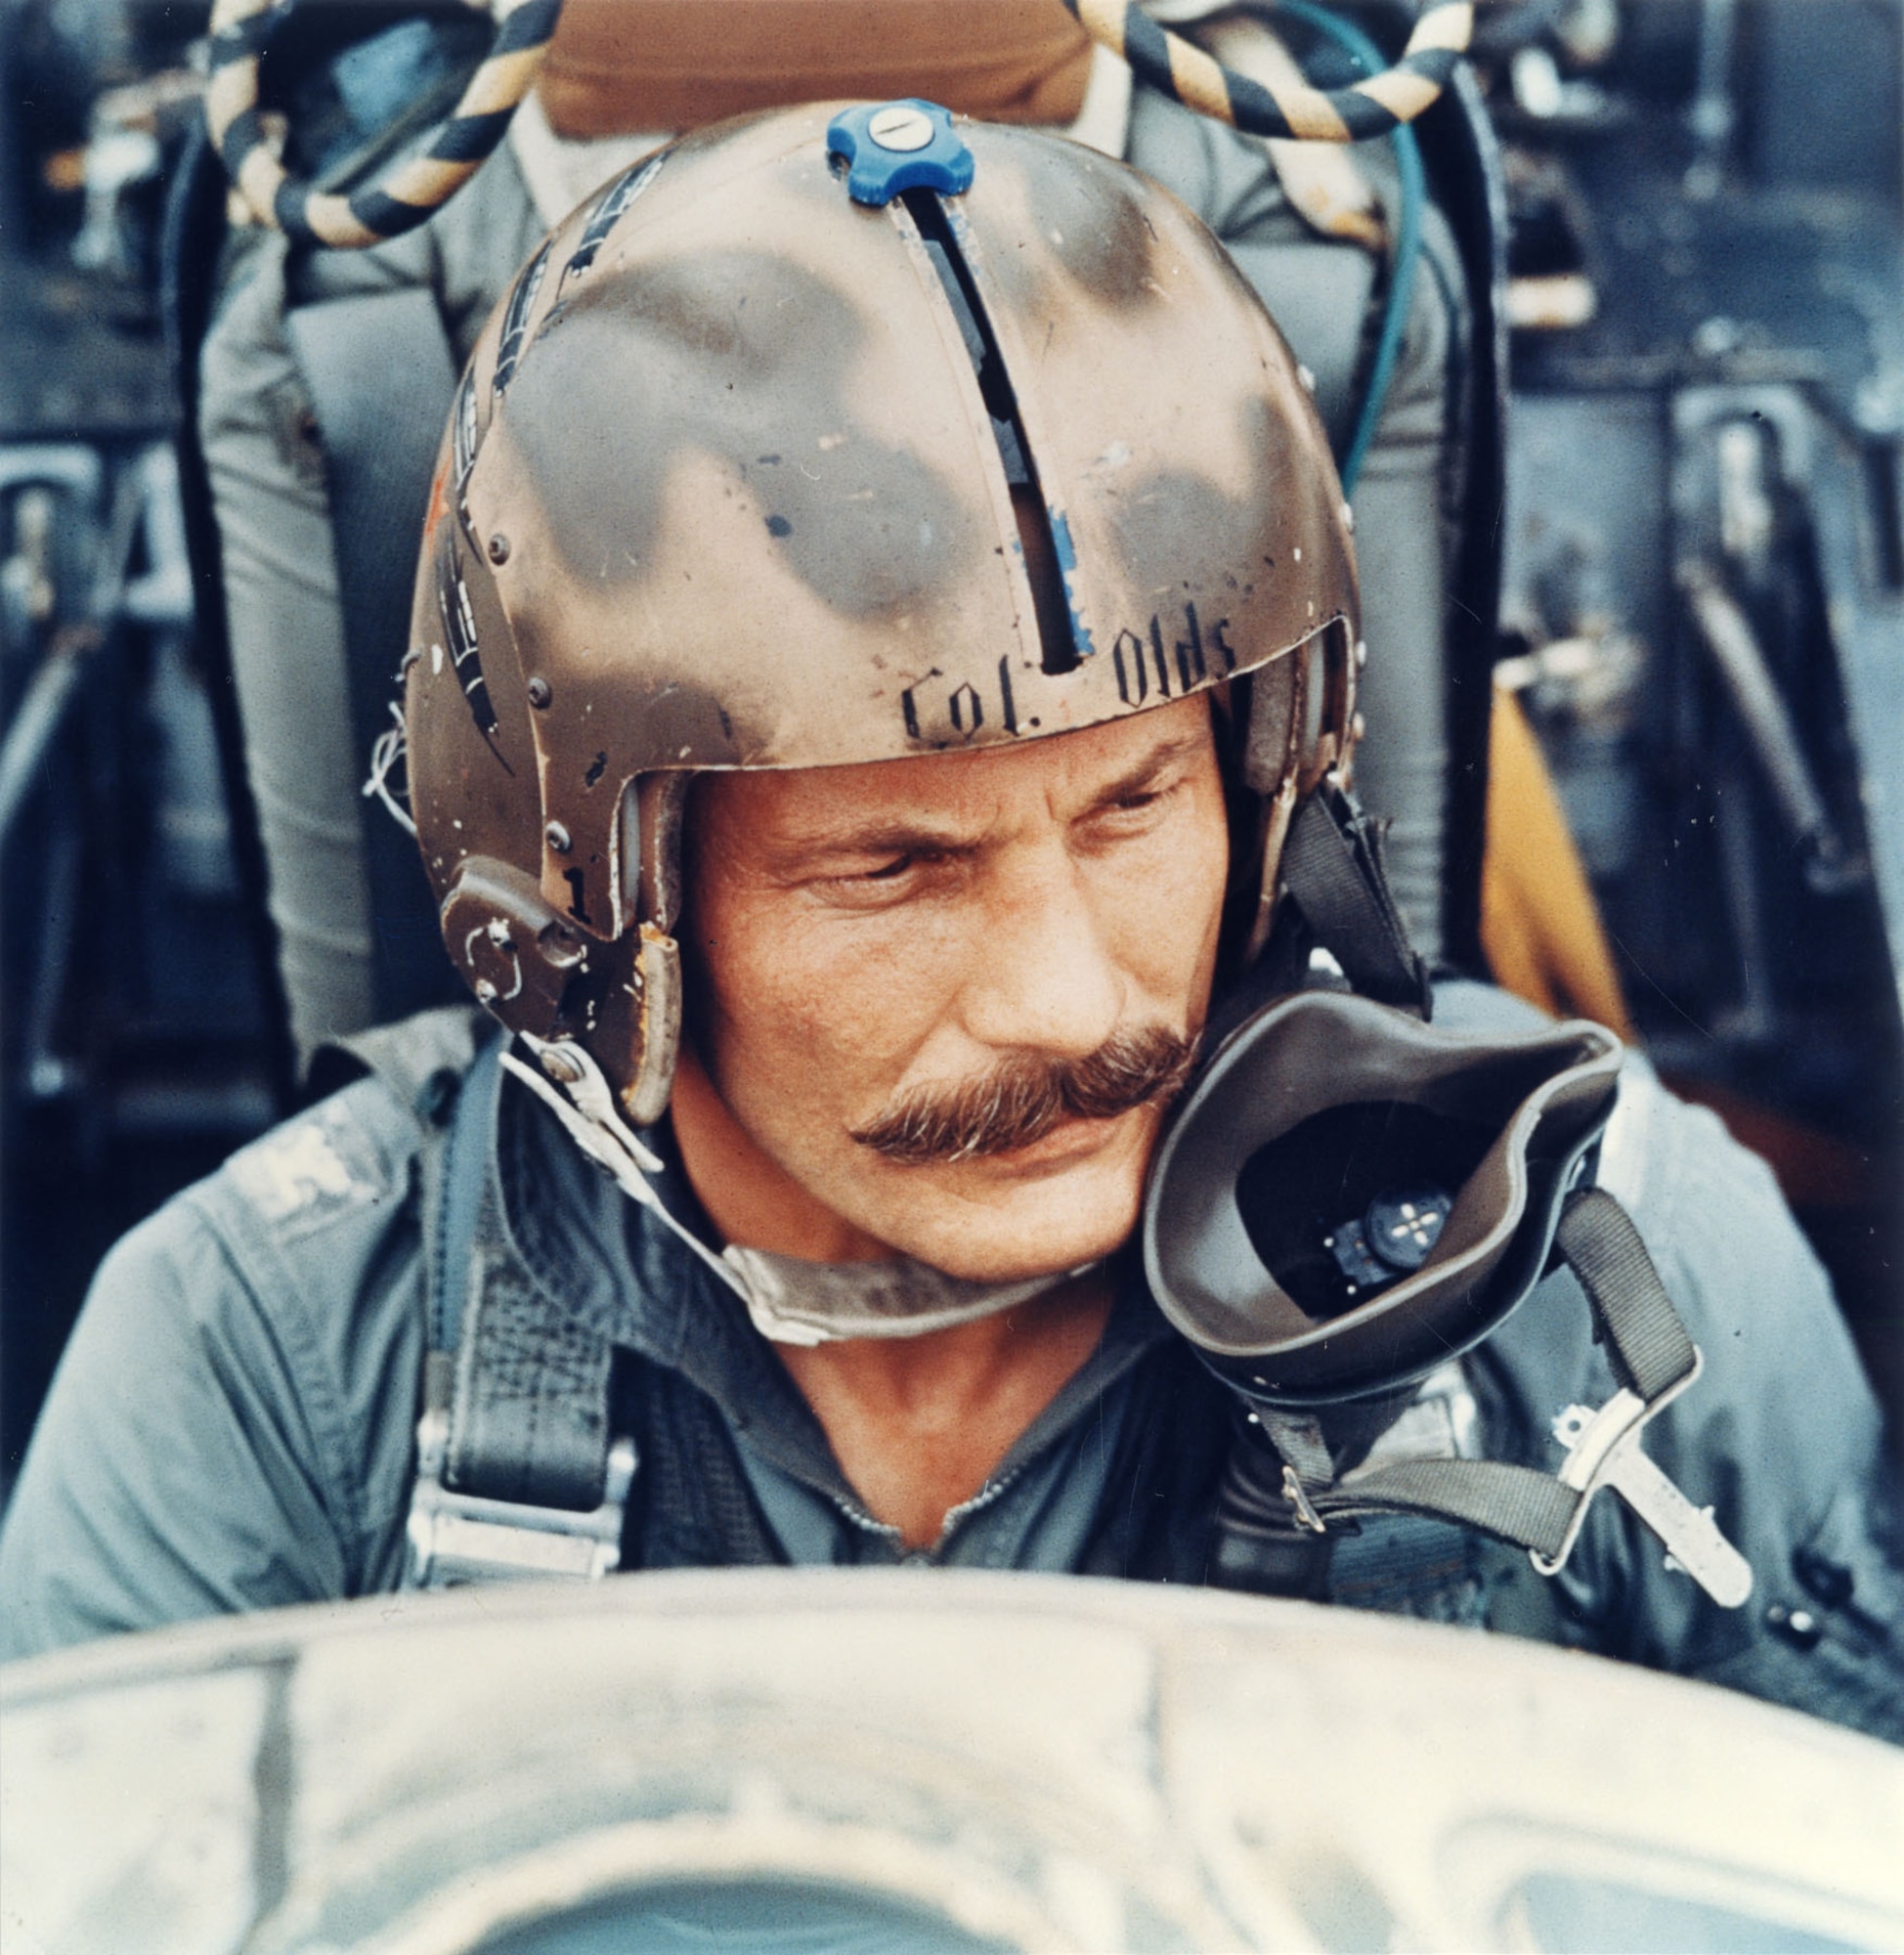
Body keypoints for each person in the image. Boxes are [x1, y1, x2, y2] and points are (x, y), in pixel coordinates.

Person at [3, 105, 1899, 1745]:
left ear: (1267, 780)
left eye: (1133, 805)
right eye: (893, 866)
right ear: (585, 906)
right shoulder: (264, 1355)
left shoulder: (1603, 1264)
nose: (1072, 999)